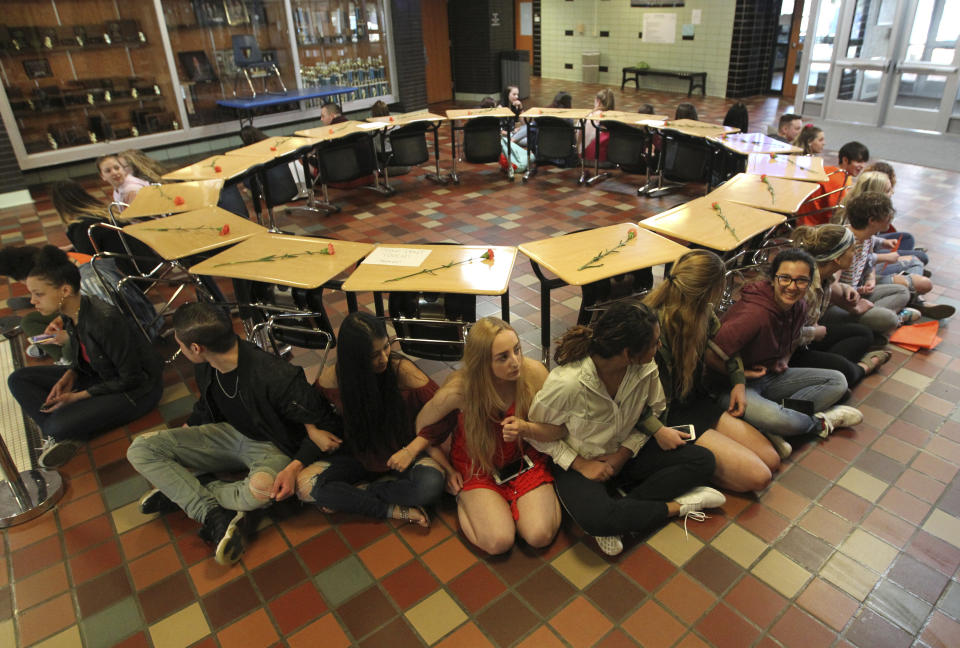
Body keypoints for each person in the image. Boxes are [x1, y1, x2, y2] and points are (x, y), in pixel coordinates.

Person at [127, 302, 342, 565]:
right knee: (140, 449)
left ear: (196, 348)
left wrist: (294, 468)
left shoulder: (276, 376)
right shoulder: (207, 363)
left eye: (181, 345)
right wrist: (184, 438)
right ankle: (210, 511)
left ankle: (189, 493)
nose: (180, 349)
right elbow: (206, 406)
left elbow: (326, 425)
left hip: (271, 446)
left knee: (261, 491)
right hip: (228, 434)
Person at [527, 301, 723, 556]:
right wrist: (580, 464)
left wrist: (623, 455)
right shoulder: (567, 383)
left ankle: (621, 515)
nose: (659, 347)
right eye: (655, 343)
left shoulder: (645, 368)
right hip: (582, 464)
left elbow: (655, 410)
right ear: (629, 354)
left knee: (703, 461)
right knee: (596, 519)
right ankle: (680, 506)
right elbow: (536, 434)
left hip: (626, 455)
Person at [410, 317, 561, 555]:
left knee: (539, 536)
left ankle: (515, 504)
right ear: (481, 363)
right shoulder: (460, 390)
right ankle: (471, 502)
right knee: (498, 542)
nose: (515, 362)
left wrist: (526, 428)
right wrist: (447, 470)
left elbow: (560, 428)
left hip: (524, 461)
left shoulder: (533, 373)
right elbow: (422, 427)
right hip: (477, 467)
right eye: (503, 357)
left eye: (517, 350)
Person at [8, 246, 163, 468]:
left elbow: (133, 379)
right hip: (101, 376)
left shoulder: (104, 321)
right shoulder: (71, 313)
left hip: (137, 392)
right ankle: (67, 430)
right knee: (19, 379)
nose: (32, 301)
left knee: (55, 426)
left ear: (65, 291)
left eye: (38, 294)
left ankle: (67, 432)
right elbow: (85, 356)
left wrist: (79, 397)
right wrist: (70, 374)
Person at [295, 313, 449, 527]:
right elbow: (306, 405)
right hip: (358, 455)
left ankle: (359, 494)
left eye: (386, 347)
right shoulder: (334, 376)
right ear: (353, 359)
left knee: (430, 486)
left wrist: (412, 449)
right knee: (304, 486)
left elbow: (444, 409)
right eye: (373, 355)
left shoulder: (401, 371)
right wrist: (313, 431)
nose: (384, 359)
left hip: (405, 453)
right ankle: (392, 510)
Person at [643, 250, 780, 487]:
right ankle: (686, 466)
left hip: (695, 402)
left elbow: (727, 348)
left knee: (772, 460)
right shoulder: (650, 326)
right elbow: (629, 394)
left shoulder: (703, 312)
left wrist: (738, 381)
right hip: (666, 417)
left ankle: (712, 456)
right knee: (759, 477)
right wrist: (656, 429)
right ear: (712, 290)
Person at [709, 249, 863, 446]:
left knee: (837, 381)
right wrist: (742, 375)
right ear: (773, 279)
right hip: (729, 386)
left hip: (768, 376)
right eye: (785, 279)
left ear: (809, 283)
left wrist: (784, 360)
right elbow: (710, 355)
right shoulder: (754, 314)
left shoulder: (799, 307)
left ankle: (771, 426)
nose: (792, 287)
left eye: (801, 280)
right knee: (781, 419)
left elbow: (793, 340)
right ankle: (819, 423)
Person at [791, 225, 891, 387]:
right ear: (837, 259)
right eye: (852, 250)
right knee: (843, 373)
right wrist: (814, 332)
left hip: (809, 339)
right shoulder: (804, 287)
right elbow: (785, 335)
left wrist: (846, 289)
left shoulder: (825, 276)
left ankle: (825, 370)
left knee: (863, 333)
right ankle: (861, 368)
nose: (855, 254)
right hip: (790, 350)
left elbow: (834, 292)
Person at [838, 192, 953, 320]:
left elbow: (867, 263)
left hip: (862, 286)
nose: (891, 217)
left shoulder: (867, 237)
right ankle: (892, 315)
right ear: (872, 220)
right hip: (850, 298)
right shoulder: (846, 244)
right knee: (891, 315)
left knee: (905, 289)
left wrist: (871, 279)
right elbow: (840, 288)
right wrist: (859, 291)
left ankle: (900, 306)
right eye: (888, 215)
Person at [796, 140, 870, 227]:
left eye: (864, 162)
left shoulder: (830, 170)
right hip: (814, 225)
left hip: (802, 217)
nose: (862, 166)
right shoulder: (839, 181)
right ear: (845, 160)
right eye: (859, 162)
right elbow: (836, 213)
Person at [583, 88, 615, 162]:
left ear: (598, 101)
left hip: (582, 157)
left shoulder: (586, 116)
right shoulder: (613, 120)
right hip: (601, 159)